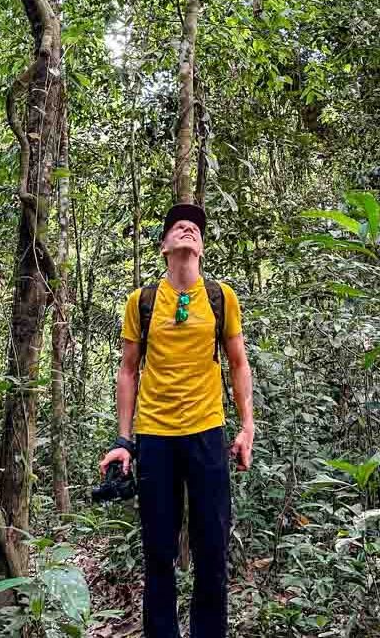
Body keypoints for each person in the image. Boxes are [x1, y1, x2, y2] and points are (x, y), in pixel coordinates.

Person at [99, 202, 255, 638]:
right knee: (158, 552)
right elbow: (128, 370)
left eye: (195, 229)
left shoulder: (221, 298)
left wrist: (246, 426)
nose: (187, 229)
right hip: (155, 437)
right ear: (165, 246)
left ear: (201, 248)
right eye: (178, 227)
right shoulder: (142, 302)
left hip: (207, 433)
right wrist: (123, 440)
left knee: (211, 549)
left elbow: (238, 362)